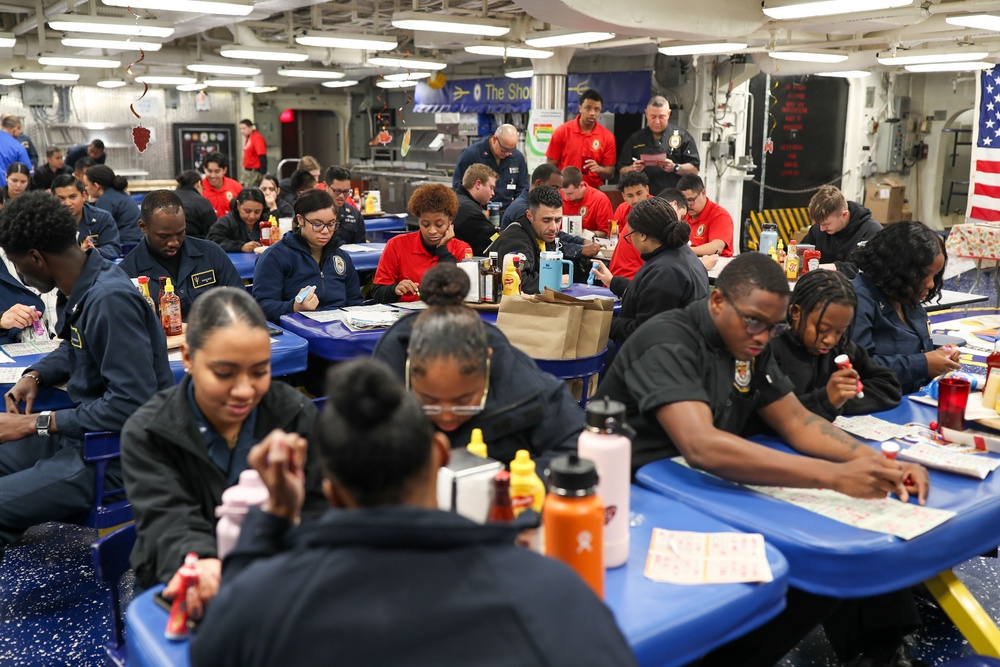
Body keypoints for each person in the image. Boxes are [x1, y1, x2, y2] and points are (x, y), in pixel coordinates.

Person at [595, 252, 929, 667]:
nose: (761, 336)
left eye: (772, 327)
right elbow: (703, 445)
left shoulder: (751, 346)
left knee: (823, 569)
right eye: (753, 320)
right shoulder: (668, 340)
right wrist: (835, 476)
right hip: (639, 497)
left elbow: (797, 421)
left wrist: (876, 462)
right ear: (717, 301)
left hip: (703, 486)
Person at [189, 357, 634, 667]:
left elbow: (215, 647)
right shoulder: (549, 591)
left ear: (333, 493)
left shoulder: (266, 604)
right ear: (441, 453)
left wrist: (274, 518)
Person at [121, 288, 325, 603]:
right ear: (188, 357)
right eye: (224, 373)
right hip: (185, 577)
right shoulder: (150, 431)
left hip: (279, 578)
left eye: (260, 372)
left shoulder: (294, 415)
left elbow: (319, 509)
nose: (244, 391)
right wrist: (201, 563)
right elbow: (169, 521)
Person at [0, 191, 172, 551]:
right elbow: (74, 345)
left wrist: (36, 422)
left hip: (116, 456)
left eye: (18, 265)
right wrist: (35, 375)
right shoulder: (83, 285)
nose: (19, 274)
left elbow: (132, 404)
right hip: (83, 436)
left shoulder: (109, 300)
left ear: (37, 258)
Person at [374, 264, 584, 466]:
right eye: (430, 401)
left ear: (488, 362)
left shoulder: (528, 390)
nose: (447, 415)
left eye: (464, 400)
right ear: (409, 366)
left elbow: (577, 451)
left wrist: (508, 487)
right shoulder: (376, 401)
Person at [754, 270, 901, 427]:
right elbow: (766, 417)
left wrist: (839, 401)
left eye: (840, 331)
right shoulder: (768, 349)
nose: (830, 340)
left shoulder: (841, 349)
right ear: (796, 312)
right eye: (822, 329)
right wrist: (826, 400)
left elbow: (889, 387)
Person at [851, 220, 958, 395]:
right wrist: (923, 364)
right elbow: (858, 367)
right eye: (924, 274)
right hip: (871, 407)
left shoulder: (906, 298)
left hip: (907, 401)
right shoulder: (856, 300)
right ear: (897, 268)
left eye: (936, 275)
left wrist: (939, 357)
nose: (931, 284)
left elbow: (913, 353)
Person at [591, 198, 708, 345]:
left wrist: (601, 322)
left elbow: (644, 331)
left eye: (629, 235)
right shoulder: (682, 255)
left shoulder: (666, 272)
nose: (630, 240)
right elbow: (649, 294)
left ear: (642, 235)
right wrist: (612, 281)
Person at [119, 190, 244, 319]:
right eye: (164, 236)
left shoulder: (211, 254)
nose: (174, 242)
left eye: (180, 233)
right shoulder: (128, 272)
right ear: (143, 226)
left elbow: (241, 302)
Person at [253, 189, 363, 323]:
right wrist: (293, 307)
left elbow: (355, 302)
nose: (325, 231)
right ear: (300, 220)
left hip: (340, 331)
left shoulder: (341, 257)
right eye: (317, 224)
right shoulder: (275, 256)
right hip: (298, 333)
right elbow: (261, 306)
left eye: (331, 224)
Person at [372, 184, 471, 304]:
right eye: (425, 224)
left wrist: (442, 250)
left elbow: (460, 291)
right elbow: (378, 293)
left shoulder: (462, 249)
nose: (432, 231)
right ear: (418, 220)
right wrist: (394, 290)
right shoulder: (396, 245)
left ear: (450, 220)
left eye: (439, 225)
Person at [486, 186, 562, 294]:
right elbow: (521, 284)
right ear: (529, 216)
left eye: (558, 220)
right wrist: (555, 281)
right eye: (546, 220)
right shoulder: (514, 241)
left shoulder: (544, 235)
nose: (553, 227)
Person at [618, 96, 700, 194]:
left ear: (669, 114)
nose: (657, 122)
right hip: (644, 197)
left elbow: (695, 168)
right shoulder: (635, 138)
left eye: (661, 117)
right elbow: (621, 169)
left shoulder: (682, 136)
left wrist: (675, 167)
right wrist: (633, 169)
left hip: (674, 195)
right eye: (653, 117)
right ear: (646, 113)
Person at [802, 185, 883, 279]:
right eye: (819, 223)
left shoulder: (871, 231)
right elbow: (801, 252)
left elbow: (869, 269)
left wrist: (824, 268)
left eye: (826, 224)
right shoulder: (817, 230)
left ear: (844, 214)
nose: (822, 229)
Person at [546, 88, 616, 188]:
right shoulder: (562, 131)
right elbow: (550, 165)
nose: (592, 113)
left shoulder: (607, 137)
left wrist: (599, 169)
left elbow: (610, 172)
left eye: (596, 109)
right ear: (580, 108)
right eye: (588, 108)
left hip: (592, 191)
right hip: (564, 190)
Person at [452, 124, 529, 212]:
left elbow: (523, 189)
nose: (508, 153)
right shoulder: (471, 155)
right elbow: (458, 188)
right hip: (478, 212)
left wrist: (517, 209)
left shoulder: (517, 157)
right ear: (494, 139)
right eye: (504, 150)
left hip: (508, 212)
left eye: (511, 150)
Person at [51, 174, 121, 260]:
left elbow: (113, 248)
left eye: (72, 197)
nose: (68, 203)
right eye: (61, 199)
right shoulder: (47, 222)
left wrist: (92, 252)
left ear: (83, 196)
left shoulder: (102, 218)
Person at [83, 164, 143, 244]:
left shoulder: (105, 200)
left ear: (96, 186)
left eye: (86, 185)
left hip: (125, 245)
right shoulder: (118, 194)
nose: (85, 189)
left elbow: (97, 229)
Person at [678, 174, 733, 258]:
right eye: (683, 201)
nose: (687, 205)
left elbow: (717, 247)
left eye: (691, 200)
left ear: (703, 193)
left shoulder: (720, 216)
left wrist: (684, 251)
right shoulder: (683, 215)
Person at [452, 163, 498, 256]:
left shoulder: (458, 200)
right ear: (478, 184)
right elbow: (493, 239)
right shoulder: (469, 211)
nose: (493, 193)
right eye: (491, 187)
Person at [501, 163, 560, 230]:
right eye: (554, 187)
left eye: (559, 189)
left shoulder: (530, 203)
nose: (558, 192)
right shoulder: (523, 210)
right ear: (538, 183)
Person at [207, 188, 267, 253]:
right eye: (247, 211)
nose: (252, 216)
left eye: (257, 212)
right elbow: (211, 241)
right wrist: (240, 246)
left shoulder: (267, 222)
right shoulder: (226, 223)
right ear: (238, 206)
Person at [560, 166, 613, 236]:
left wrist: (582, 232)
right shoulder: (558, 195)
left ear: (581, 185)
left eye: (570, 193)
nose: (566, 196)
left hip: (592, 244)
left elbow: (607, 233)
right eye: (564, 192)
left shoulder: (600, 200)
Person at [323, 166, 365, 244]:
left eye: (346, 191)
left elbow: (361, 247)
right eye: (337, 191)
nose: (342, 196)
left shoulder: (355, 215)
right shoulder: (311, 211)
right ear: (325, 186)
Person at [174, 170, 219, 238]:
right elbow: (213, 231)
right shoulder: (203, 202)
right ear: (198, 184)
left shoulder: (169, 198)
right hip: (195, 244)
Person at [201, 153, 243, 218]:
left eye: (217, 171)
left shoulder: (236, 187)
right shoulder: (199, 189)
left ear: (224, 170)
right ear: (204, 169)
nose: (213, 175)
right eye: (209, 171)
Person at [0, 116, 30, 188]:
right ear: (15, 129)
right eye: (20, 130)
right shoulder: (18, 148)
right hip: (5, 190)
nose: (20, 133)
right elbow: (26, 171)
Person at [238, 119, 267, 188]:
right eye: (240, 129)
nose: (242, 131)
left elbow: (262, 155)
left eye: (244, 128)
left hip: (254, 171)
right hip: (247, 171)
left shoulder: (257, 138)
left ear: (250, 128)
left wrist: (262, 173)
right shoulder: (248, 139)